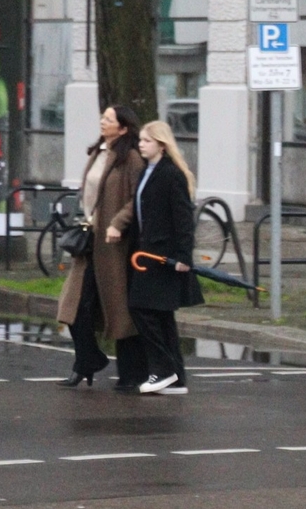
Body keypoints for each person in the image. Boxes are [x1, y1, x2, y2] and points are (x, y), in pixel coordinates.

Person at [109, 120, 204, 396]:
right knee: (162, 317)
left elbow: (183, 219)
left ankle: (163, 370)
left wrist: (184, 255)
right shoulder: (146, 172)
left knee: (141, 308)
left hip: (162, 256)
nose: (141, 144)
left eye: (146, 141)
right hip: (145, 252)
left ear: (161, 144)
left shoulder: (170, 174)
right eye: (140, 140)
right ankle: (176, 377)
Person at [57, 106, 144, 390]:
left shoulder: (130, 158)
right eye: (103, 117)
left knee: (115, 307)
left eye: (108, 119)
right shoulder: (98, 152)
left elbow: (137, 198)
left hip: (113, 244)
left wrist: (119, 222)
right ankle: (89, 358)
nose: (102, 121)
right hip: (90, 238)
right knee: (71, 307)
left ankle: (128, 373)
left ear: (123, 128)